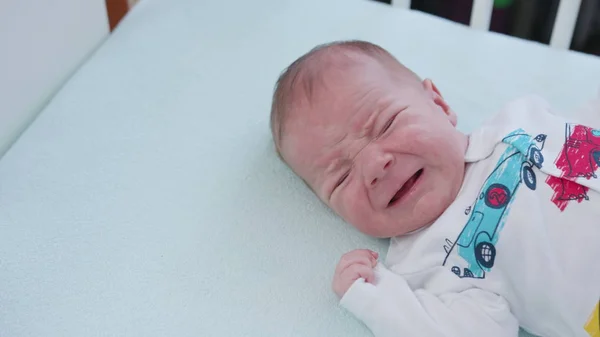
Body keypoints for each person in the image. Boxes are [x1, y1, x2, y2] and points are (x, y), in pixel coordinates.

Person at [270, 40, 600, 337]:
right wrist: (376, 299)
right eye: (341, 177)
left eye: (386, 124)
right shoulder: (428, 267)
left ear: (439, 104)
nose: (374, 166)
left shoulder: (519, 118)